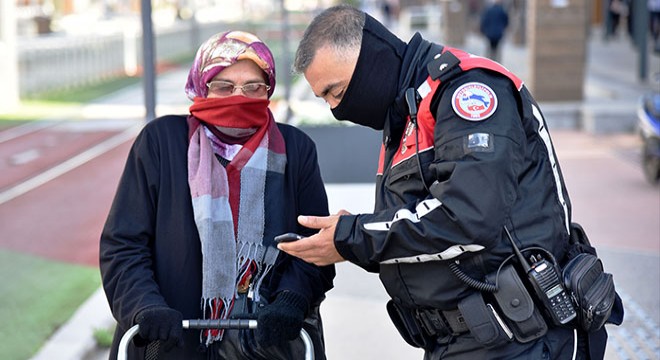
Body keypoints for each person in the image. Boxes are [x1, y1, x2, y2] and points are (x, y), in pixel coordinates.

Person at [281, 5, 622, 360]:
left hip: (523, 338)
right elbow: (421, 227)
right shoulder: (406, 111)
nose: (337, 109)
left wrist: (354, 235)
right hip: (465, 340)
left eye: (336, 92)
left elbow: (467, 217)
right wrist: (352, 239)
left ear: (368, 59)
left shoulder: (467, 91)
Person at [100, 30, 335, 359]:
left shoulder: (296, 149)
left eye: (253, 87)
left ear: (268, 89)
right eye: (223, 87)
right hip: (171, 343)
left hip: (270, 344)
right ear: (201, 86)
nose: (239, 96)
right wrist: (145, 307)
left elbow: (316, 244)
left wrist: (291, 299)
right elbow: (123, 245)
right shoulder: (160, 142)